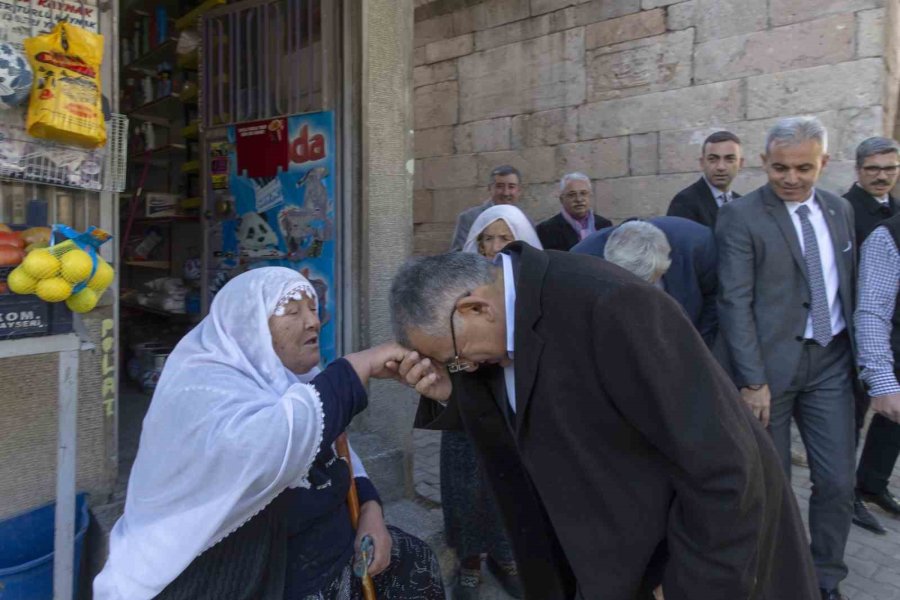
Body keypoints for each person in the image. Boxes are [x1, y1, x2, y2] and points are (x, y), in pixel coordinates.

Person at [387, 246, 818, 600]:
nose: (464, 368)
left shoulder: (611, 305)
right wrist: (452, 392)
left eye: (456, 359)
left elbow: (724, 467)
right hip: (599, 564)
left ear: (476, 307)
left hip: (682, 566)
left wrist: (687, 585)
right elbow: (530, 418)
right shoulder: (500, 324)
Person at [94, 268, 444, 600]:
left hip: (333, 557)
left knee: (416, 560)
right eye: (291, 311)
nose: (313, 321)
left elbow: (341, 453)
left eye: (313, 309)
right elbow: (265, 450)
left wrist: (371, 511)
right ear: (249, 328)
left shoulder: (297, 381)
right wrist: (356, 367)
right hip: (247, 578)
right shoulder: (198, 393)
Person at [716, 117, 857, 600]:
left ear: (824, 163)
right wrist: (752, 380)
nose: (791, 179)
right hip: (768, 371)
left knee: (837, 481)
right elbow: (734, 302)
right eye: (779, 168)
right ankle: (780, 577)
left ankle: (825, 578)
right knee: (771, 484)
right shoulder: (740, 217)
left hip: (831, 363)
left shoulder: (840, 210)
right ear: (763, 162)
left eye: (803, 168)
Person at [441, 204, 539, 599]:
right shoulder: (456, 287)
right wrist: (463, 360)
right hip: (466, 400)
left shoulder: (533, 285)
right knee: (464, 483)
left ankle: (505, 556)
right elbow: (442, 345)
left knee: (509, 479)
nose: (496, 246)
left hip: (512, 402)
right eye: (488, 238)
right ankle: (468, 562)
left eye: (505, 238)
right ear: (477, 243)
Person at [843, 136, 900, 534]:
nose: (882, 176)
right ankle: (844, 494)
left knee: (891, 419)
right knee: (850, 417)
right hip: (854, 331)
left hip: (893, 334)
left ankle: (872, 484)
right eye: (873, 169)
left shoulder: (895, 210)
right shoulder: (843, 210)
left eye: (890, 168)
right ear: (858, 170)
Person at [572, 216, 718, 347]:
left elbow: (714, 297)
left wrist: (697, 347)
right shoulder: (580, 265)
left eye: (652, 281)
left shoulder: (696, 243)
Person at [851, 213, 900, 535]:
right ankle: (850, 493)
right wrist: (882, 379)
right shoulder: (888, 236)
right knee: (854, 424)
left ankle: (872, 485)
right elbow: (872, 309)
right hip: (883, 354)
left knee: (890, 431)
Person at [667, 130, 744, 228]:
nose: (720, 167)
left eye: (729, 159)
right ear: (702, 163)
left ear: (740, 164)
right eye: (713, 159)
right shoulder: (684, 202)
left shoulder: (742, 203)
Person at [450, 165, 523, 252]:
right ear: (490, 188)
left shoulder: (525, 219)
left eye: (511, 187)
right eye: (499, 186)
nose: (506, 193)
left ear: (519, 190)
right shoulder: (469, 218)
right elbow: (458, 255)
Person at [535, 172, 611, 251]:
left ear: (590, 196)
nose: (579, 199)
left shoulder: (604, 225)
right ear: (562, 199)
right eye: (572, 195)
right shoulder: (546, 230)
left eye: (583, 193)